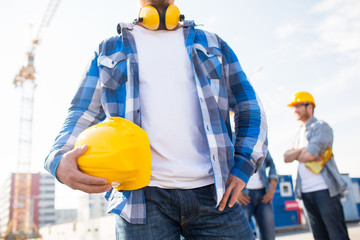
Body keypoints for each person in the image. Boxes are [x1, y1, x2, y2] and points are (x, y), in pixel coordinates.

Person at [44, 0, 268, 239]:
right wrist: (57, 158)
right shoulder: (108, 49)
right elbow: (82, 111)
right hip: (140, 201)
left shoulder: (213, 44)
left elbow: (249, 106)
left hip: (216, 196)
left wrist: (243, 163)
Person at [283, 91, 349, 240]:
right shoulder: (298, 133)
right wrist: (302, 150)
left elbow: (309, 155)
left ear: (310, 106)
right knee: (319, 236)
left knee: (337, 236)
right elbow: (286, 157)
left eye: (298, 105)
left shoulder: (321, 127)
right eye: (293, 107)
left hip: (325, 191)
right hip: (305, 192)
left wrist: (297, 153)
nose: (294, 110)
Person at [237, 152, 278, 240]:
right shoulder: (233, 140)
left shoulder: (260, 141)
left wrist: (271, 190)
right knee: (240, 235)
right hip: (243, 195)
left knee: (269, 236)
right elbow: (226, 164)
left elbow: (271, 164)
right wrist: (235, 191)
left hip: (263, 194)